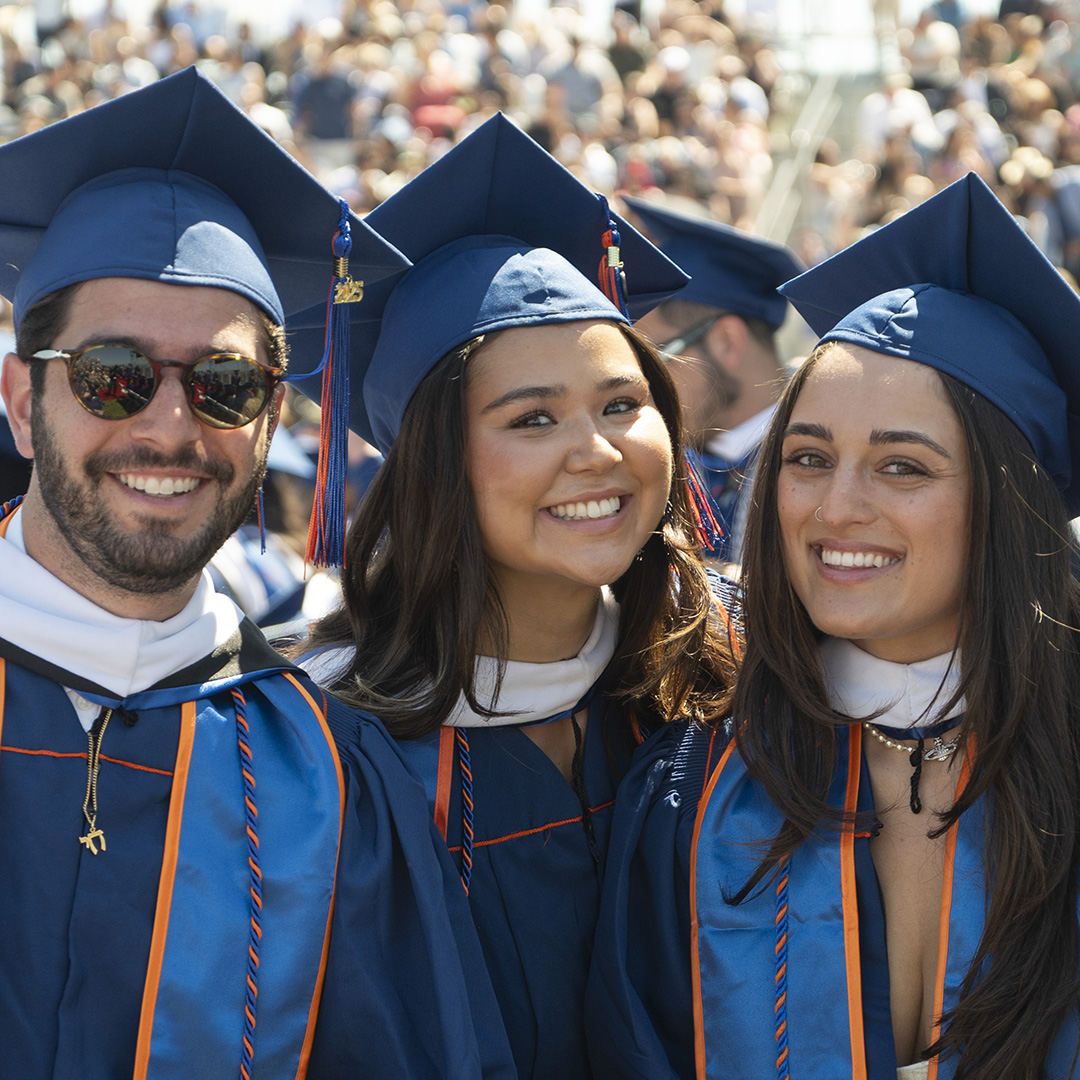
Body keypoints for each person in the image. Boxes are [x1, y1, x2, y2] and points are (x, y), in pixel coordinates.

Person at [0, 67, 513, 1080]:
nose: (169, 425)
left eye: (226, 385)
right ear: (22, 401)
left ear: (275, 417)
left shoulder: (329, 772)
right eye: (113, 376)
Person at [586, 172, 1080, 1079]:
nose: (836, 508)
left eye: (902, 467)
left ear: (1010, 505)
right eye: (808, 458)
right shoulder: (694, 792)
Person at [292, 113, 739, 1080]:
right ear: (433, 466)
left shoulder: (717, 680)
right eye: (533, 418)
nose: (598, 451)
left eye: (622, 404)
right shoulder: (329, 753)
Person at [623, 195, 804, 563]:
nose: (642, 386)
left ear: (726, 342)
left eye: (655, 359)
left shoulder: (813, 463)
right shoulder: (673, 465)